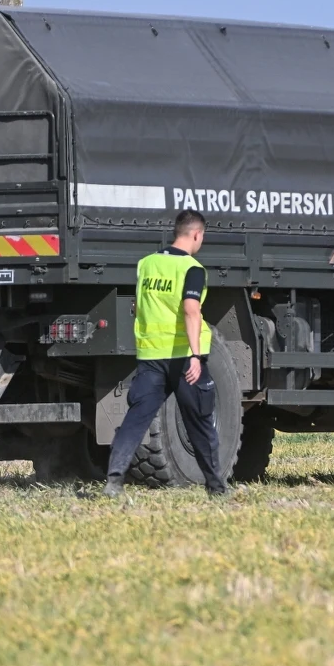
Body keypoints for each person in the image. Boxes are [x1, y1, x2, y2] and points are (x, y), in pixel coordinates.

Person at [104, 209, 228, 497]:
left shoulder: (146, 265)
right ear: (197, 234)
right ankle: (216, 487)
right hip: (184, 358)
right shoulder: (193, 269)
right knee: (199, 422)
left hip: (150, 356)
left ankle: (113, 480)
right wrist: (196, 356)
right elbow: (190, 309)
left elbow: (139, 304)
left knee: (136, 419)